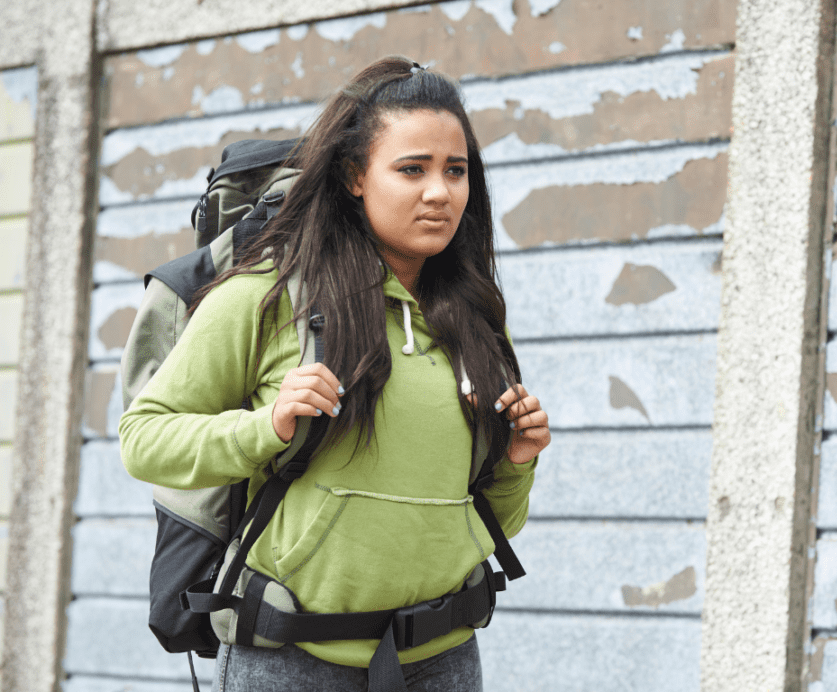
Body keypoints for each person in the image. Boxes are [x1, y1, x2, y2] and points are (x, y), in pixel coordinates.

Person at [119, 56, 551, 691]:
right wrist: (264, 427)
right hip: (291, 658)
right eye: (412, 169)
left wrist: (516, 461)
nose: (439, 192)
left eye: (455, 171)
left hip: (445, 656)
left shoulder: (475, 317)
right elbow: (144, 438)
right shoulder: (266, 296)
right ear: (355, 176)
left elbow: (491, 520)